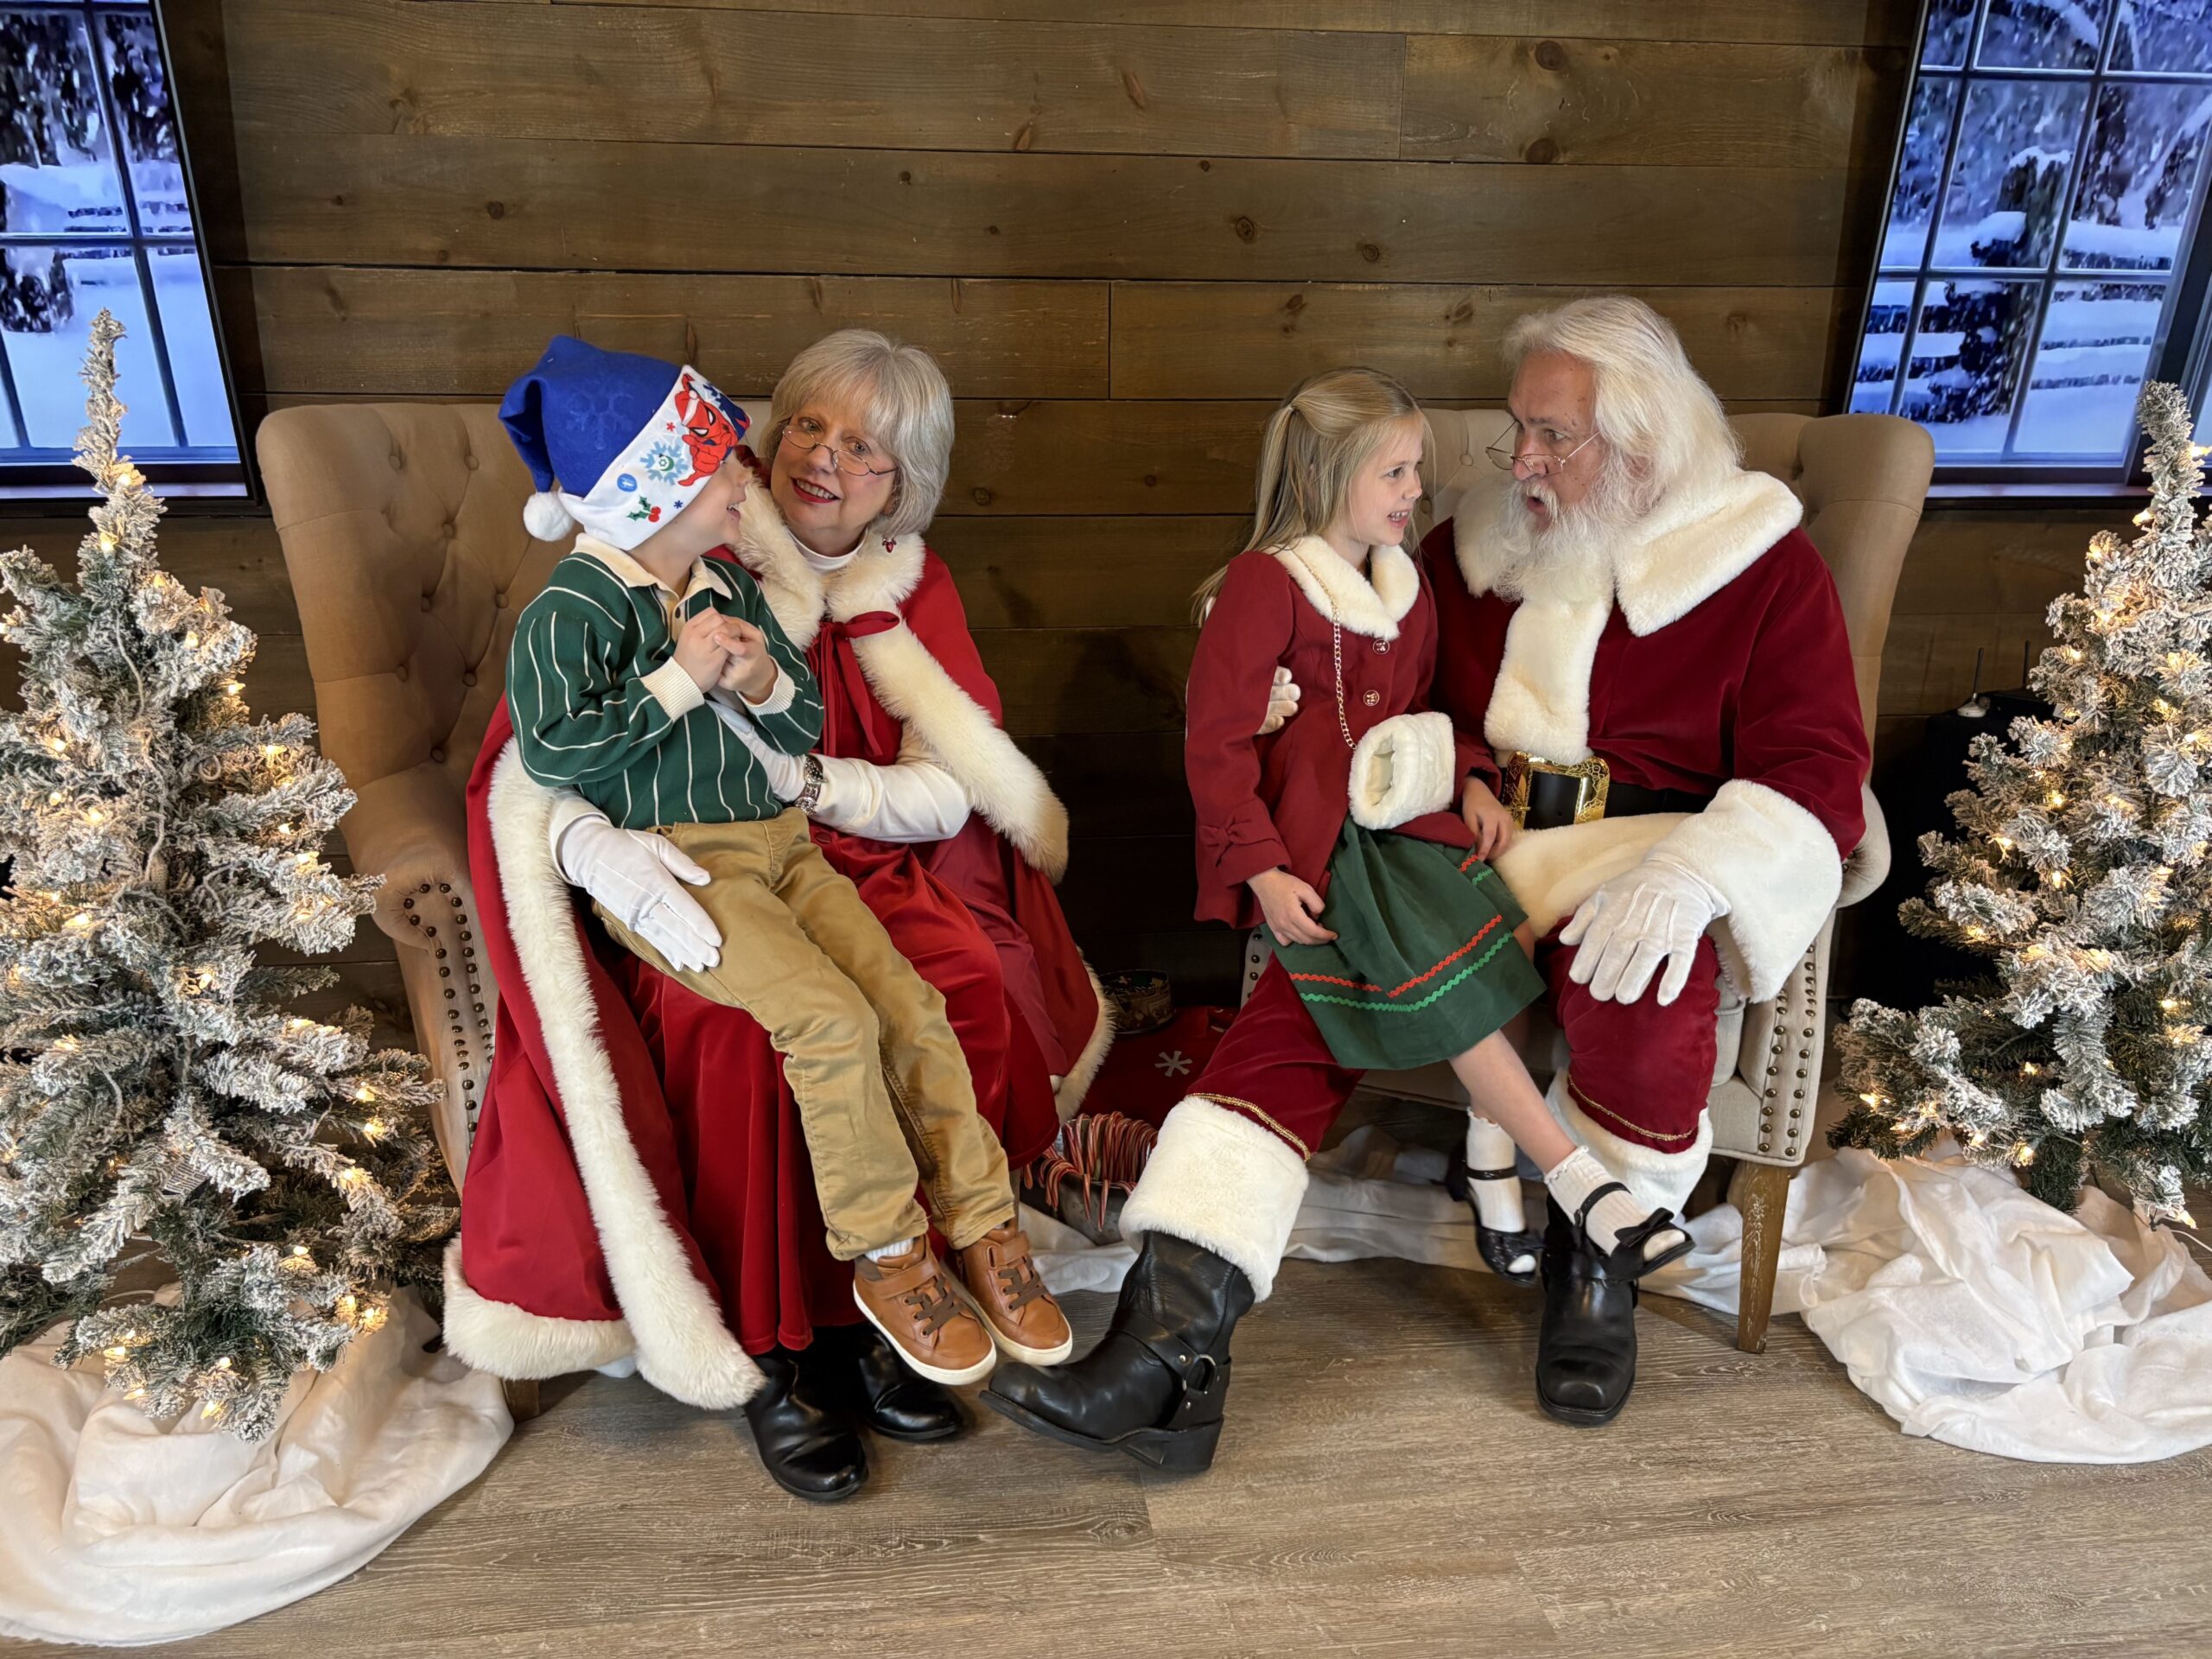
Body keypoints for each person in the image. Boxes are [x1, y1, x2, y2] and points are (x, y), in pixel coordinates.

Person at [447, 331, 1136, 1503]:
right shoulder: (684, 549)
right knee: (751, 1040)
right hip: (677, 867)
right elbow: (536, 763)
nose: (819, 458)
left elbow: (934, 776)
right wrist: (594, 850)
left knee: (942, 989)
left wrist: (810, 776)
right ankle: (777, 1347)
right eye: (807, 426)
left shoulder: (864, 580)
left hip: (845, 851)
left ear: (903, 481)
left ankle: (878, 1304)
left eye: (862, 447)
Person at [983, 368, 1691, 1473]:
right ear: (1327, 479)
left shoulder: (1406, 584)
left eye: (1417, 471)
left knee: (1424, 955)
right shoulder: (1269, 586)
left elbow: (1431, 717)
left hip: (1401, 834)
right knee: (1423, 956)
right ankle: (1569, 1178)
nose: (1417, 492)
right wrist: (1259, 871)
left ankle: (1170, 1379)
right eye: (1397, 473)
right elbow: (1213, 746)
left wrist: (1462, 778)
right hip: (1316, 849)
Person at [1425, 296, 1869, 1425]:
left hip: (1651, 846)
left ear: (1645, 440)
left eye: (1552, 436)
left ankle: (1595, 1260)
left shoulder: (1765, 571)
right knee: (1341, 940)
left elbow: (1819, 763)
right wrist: (1461, 763)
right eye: (1516, 427)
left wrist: (1699, 874)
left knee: (1649, 983)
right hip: (1484, 836)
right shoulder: (1471, 548)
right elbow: (1398, 686)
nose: (1519, 460)